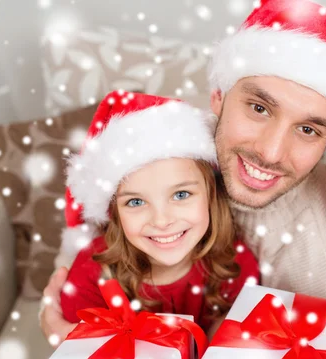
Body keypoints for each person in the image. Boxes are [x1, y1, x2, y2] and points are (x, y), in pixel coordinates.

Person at [40, 0, 326, 344]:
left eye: (308, 130)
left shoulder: (324, 264)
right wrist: (66, 317)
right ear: (217, 97)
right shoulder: (164, 137)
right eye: (259, 108)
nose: (271, 152)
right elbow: (88, 238)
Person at [58, 91, 259, 334]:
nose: (162, 221)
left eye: (181, 195)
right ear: (114, 213)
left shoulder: (235, 264)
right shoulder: (91, 277)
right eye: (135, 202)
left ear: (210, 194)